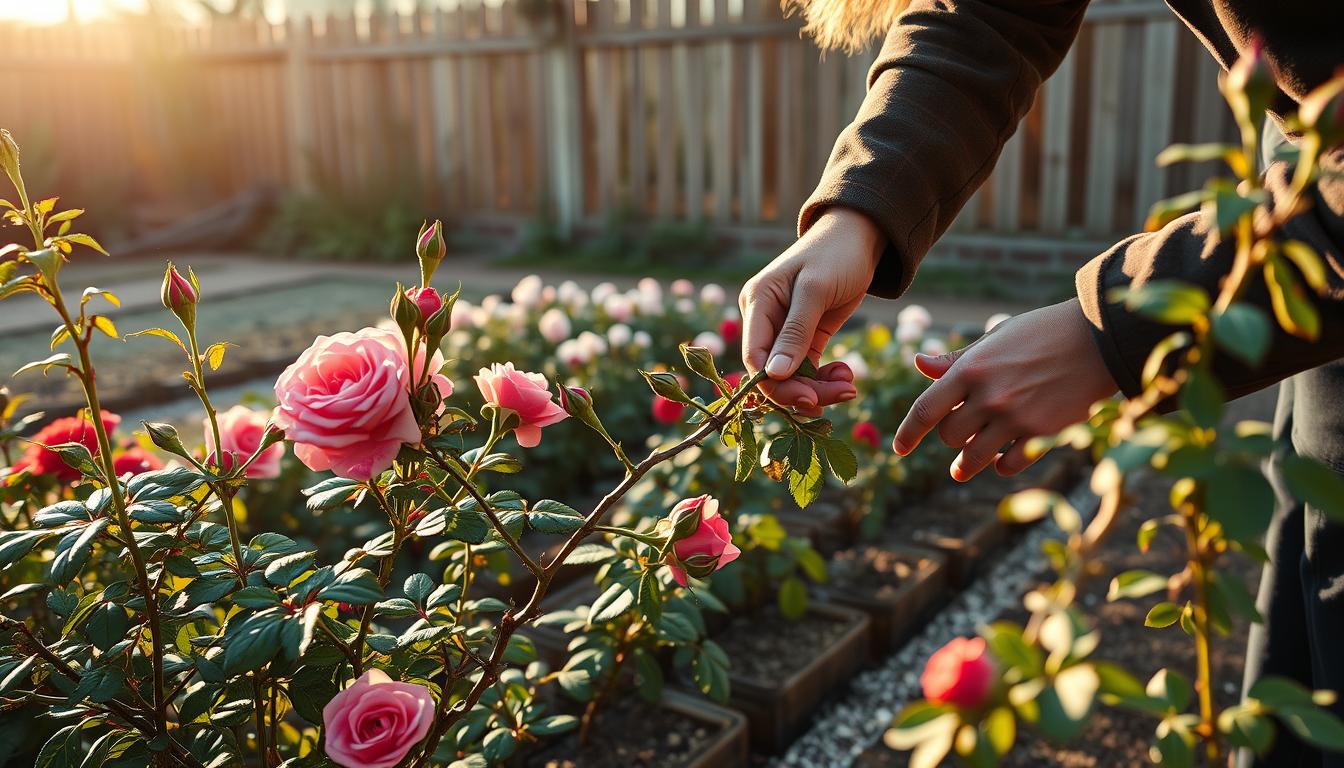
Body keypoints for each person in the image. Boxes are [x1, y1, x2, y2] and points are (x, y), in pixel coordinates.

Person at [737, 1, 1344, 765]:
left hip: (1314, 235)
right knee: (1303, 633)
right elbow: (993, 12)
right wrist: (857, 210)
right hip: (1306, 240)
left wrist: (1109, 334)